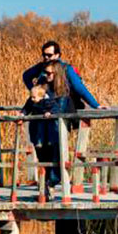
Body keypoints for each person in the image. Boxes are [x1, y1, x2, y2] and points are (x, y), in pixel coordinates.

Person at [22, 61, 74, 189]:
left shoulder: (62, 90)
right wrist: (22, 113)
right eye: (45, 72)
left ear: (57, 74)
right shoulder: (41, 86)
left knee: (54, 155)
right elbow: (30, 103)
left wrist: (49, 111)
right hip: (38, 128)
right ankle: (45, 186)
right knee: (42, 156)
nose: (46, 75)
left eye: (49, 73)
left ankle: (52, 182)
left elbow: (59, 109)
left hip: (53, 129)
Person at [21, 40, 103, 111]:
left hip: (66, 106)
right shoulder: (41, 67)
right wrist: (36, 91)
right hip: (46, 107)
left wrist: (96, 105)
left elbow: (80, 88)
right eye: (44, 55)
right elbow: (26, 76)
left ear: (57, 55)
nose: (46, 57)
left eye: (49, 55)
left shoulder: (67, 68)